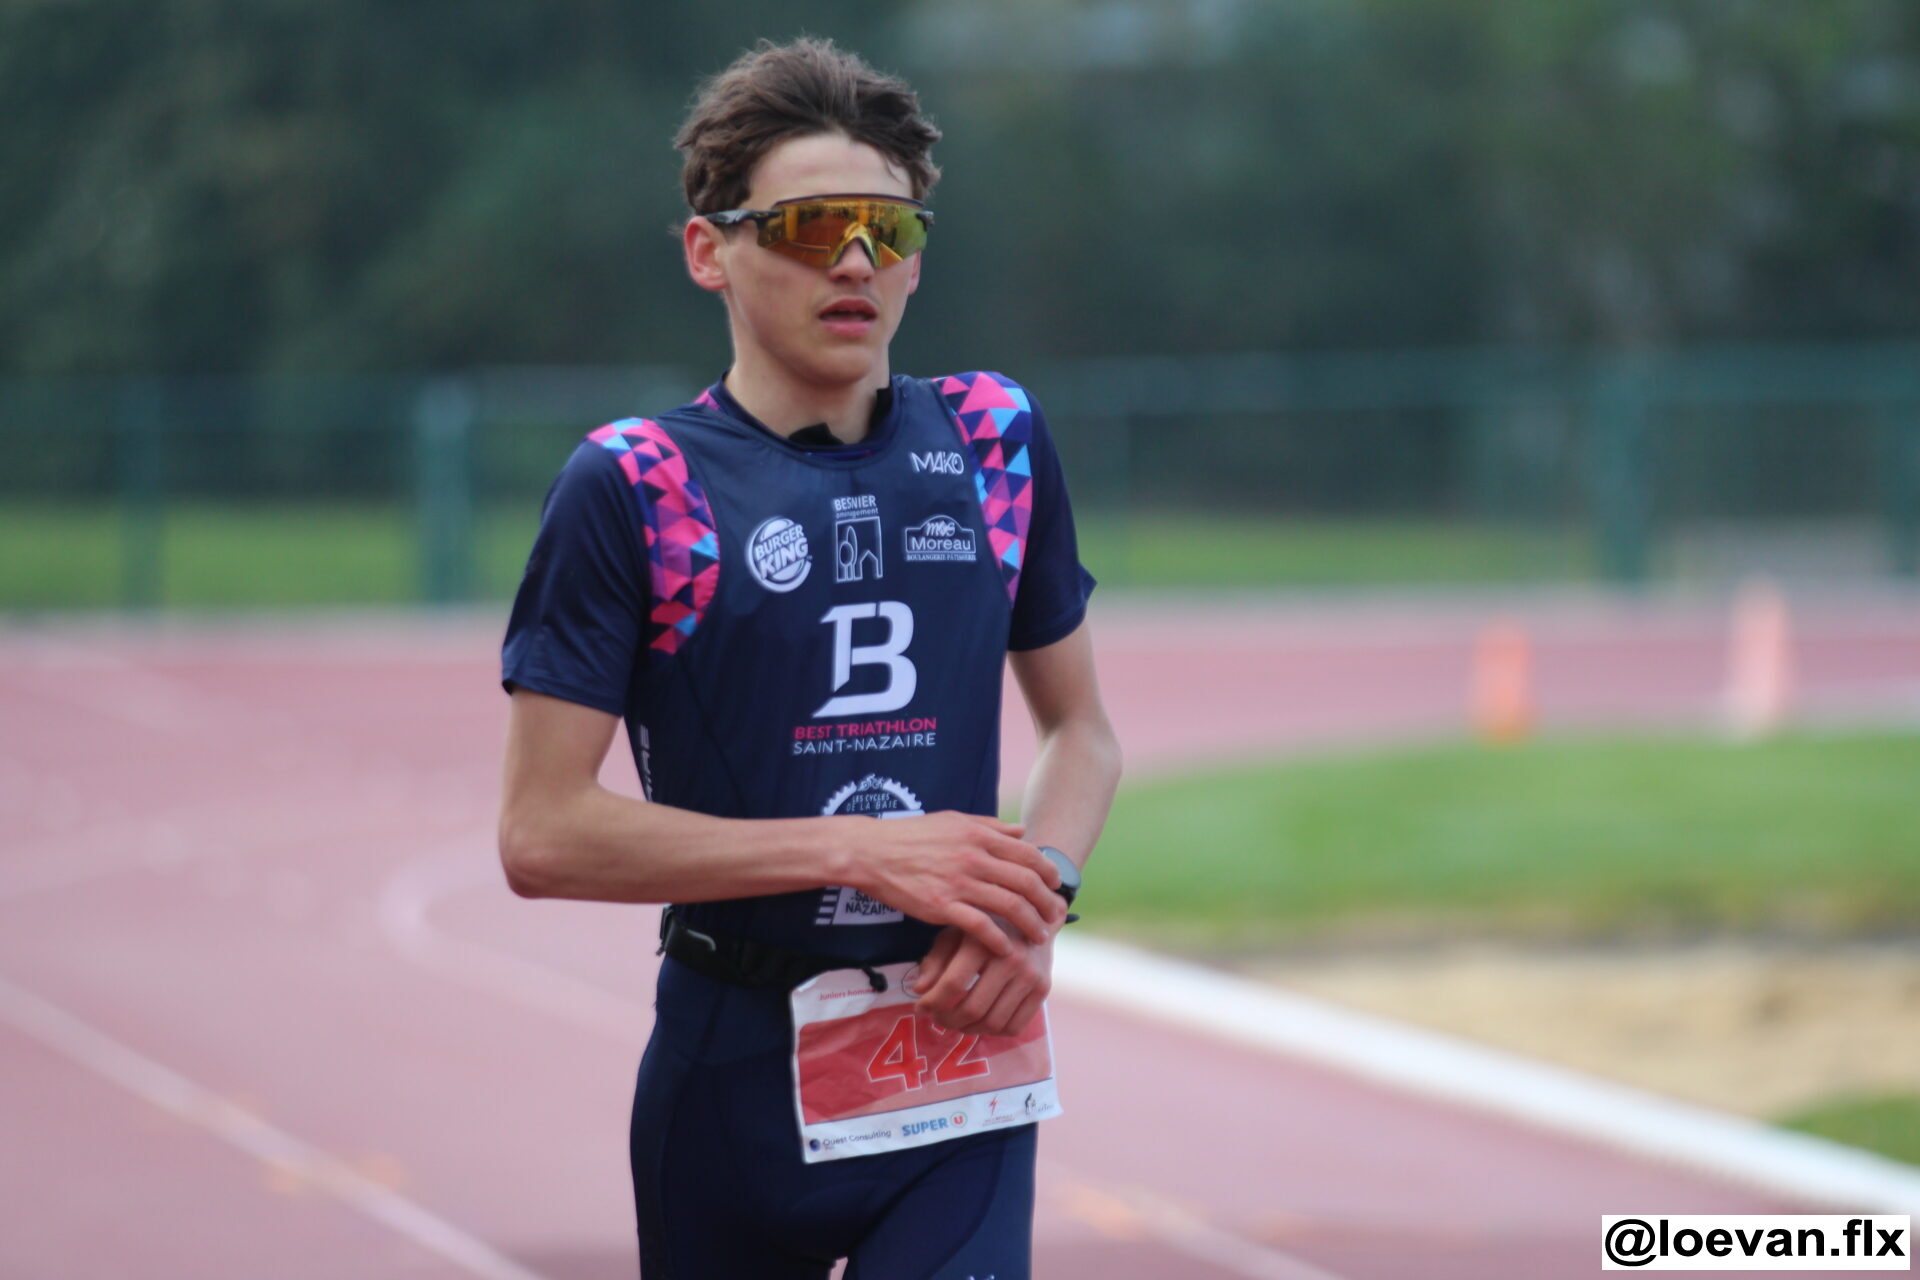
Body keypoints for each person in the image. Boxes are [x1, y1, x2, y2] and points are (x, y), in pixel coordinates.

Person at [498, 36, 1121, 1279]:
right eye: (810, 226)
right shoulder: (636, 483)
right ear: (708, 251)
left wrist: (1034, 894)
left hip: (953, 1063)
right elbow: (543, 833)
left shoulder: (994, 438)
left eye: (888, 230)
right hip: (726, 1070)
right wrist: (853, 848)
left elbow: (1083, 734)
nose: (854, 260)